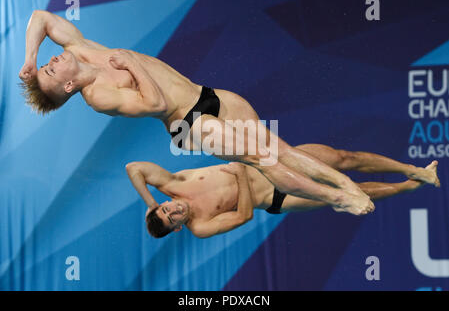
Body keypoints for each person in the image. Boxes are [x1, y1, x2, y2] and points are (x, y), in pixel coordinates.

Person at [19, 11, 439, 215]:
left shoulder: (78, 48)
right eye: (48, 73)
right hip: (187, 125)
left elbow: (40, 17)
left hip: (208, 95)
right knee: (262, 158)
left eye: (46, 63)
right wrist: (132, 63)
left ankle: (375, 178)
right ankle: (338, 196)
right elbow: (157, 104)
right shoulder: (98, 96)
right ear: (69, 87)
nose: (49, 64)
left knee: (276, 147)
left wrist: (28, 56)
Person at [125, 143, 439, 238]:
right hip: (279, 196)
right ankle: (407, 187)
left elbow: (133, 168)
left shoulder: (173, 183)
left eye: (166, 210)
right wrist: (241, 177)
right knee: (350, 189)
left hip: (274, 162)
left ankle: (415, 171)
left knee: (346, 158)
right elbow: (245, 216)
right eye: (172, 219)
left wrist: (150, 203)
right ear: (178, 228)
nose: (174, 211)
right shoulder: (201, 226)